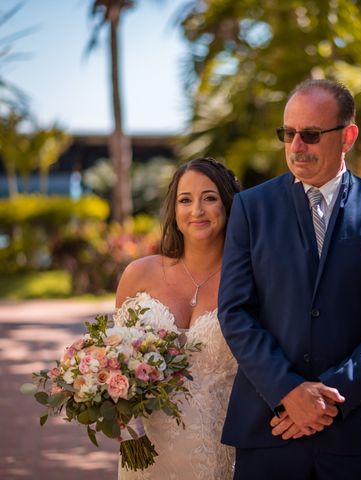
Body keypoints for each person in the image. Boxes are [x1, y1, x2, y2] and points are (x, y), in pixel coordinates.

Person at [218, 79, 361, 479]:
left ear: (347, 136)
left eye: (310, 135)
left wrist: (327, 399)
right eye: (288, 133)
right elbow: (236, 311)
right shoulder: (250, 209)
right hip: (269, 430)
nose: (296, 146)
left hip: (354, 439)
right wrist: (288, 392)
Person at [115, 157, 241, 480]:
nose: (196, 210)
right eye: (185, 200)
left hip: (215, 454)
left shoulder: (247, 282)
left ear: (228, 205)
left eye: (209, 198)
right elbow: (113, 357)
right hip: (143, 454)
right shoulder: (138, 274)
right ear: (174, 210)